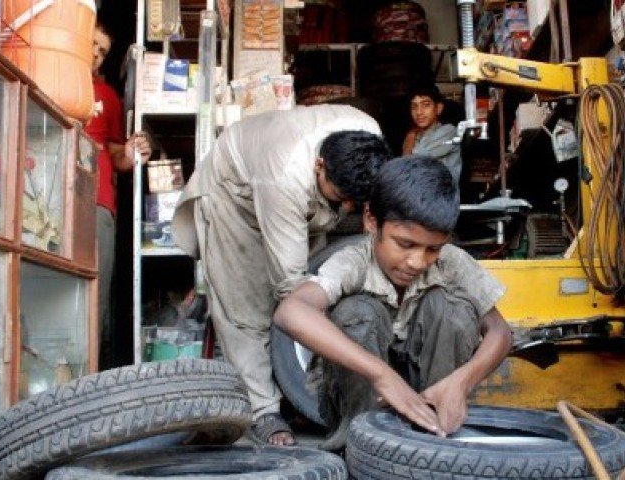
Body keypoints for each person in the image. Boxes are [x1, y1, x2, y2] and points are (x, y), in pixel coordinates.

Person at [172, 104, 392, 446]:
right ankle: (262, 411)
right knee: (247, 307)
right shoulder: (285, 175)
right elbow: (292, 290)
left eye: (355, 201)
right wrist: (334, 342)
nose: (348, 207)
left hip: (297, 190)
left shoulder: (369, 137)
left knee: (326, 278)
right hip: (235, 194)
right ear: (320, 165)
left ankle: (302, 393)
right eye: (341, 197)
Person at [273, 156, 512, 450]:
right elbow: (290, 312)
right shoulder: (354, 262)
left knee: (453, 308)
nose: (417, 262)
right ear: (371, 220)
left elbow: (500, 332)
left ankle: (435, 435)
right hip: (362, 400)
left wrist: (461, 383)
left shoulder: (452, 263)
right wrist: (382, 375)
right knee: (356, 312)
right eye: (405, 244)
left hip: (430, 396)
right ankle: (362, 445)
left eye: (433, 249)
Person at [87, 20, 152, 369]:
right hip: (46, 200)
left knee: (94, 294)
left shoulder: (108, 97)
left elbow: (116, 155)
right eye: (91, 45)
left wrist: (130, 153)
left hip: (97, 201)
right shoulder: (46, 79)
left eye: (103, 52)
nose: (96, 55)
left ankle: (87, 378)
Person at [401, 84, 461, 181]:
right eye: (414, 106)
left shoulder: (449, 132)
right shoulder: (414, 136)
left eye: (426, 105)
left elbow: (409, 164)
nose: (419, 112)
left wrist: (410, 136)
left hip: (440, 195)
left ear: (438, 108)